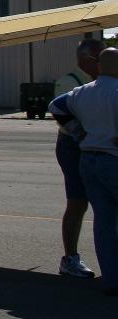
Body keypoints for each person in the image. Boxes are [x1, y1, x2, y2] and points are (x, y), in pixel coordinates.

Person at [49, 47, 118, 295]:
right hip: (99, 155)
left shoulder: (84, 89)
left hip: (89, 155)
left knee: (104, 219)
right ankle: (73, 259)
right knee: (89, 209)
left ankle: (111, 277)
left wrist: (84, 133)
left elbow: (57, 106)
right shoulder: (77, 83)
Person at [51, 39, 104, 279]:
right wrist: (86, 135)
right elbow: (62, 114)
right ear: (86, 60)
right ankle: (70, 258)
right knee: (78, 201)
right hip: (74, 147)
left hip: (96, 146)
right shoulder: (69, 83)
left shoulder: (101, 83)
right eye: (100, 59)